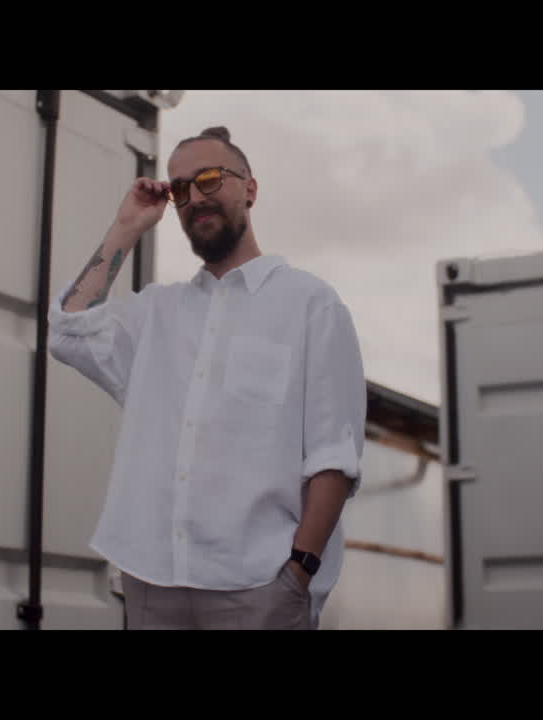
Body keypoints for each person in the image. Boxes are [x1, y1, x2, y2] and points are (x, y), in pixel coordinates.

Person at [48, 126, 366, 630]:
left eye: (211, 179)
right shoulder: (156, 310)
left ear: (251, 189)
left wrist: (297, 575)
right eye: (180, 188)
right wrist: (125, 228)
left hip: (258, 587)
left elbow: (333, 457)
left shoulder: (310, 303)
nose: (195, 196)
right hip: (151, 584)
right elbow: (67, 330)